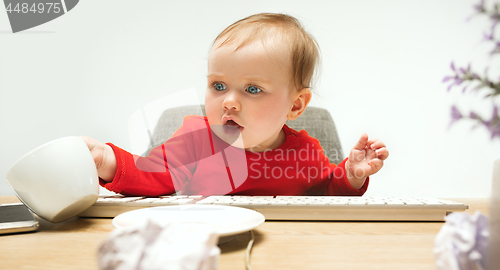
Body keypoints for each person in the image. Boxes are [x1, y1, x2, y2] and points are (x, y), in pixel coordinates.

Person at [81, 13, 389, 197]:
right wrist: (107, 160)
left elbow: (326, 193)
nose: (228, 101)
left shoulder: (305, 153)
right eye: (218, 86)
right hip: (210, 248)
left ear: (295, 106)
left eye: (252, 89)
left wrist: (351, 176)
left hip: (286, 251)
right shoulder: (195, 141)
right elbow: (152, 173)